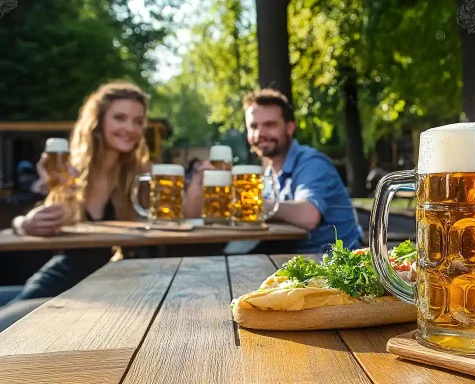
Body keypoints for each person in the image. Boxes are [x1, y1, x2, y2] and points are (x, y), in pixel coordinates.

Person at [3, 81, 153, 315]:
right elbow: (18, 219)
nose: (130, 128)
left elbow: (166, 224)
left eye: (137, 121)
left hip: (115, 286)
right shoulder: (67, 169)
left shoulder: (143, 175)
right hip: (63, 279)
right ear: (98, 122)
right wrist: (26, 222)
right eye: (120, 118)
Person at [187, 88, 361, 254]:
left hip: (334, 264)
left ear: (289, 128)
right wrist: (199, 180)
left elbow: (308, 216)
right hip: (292, 260)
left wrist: (257, 205)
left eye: (269, 125)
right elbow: (192, 215)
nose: (260, 133)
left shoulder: (312, 163)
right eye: (254, 126)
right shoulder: (268, 172)